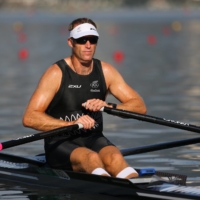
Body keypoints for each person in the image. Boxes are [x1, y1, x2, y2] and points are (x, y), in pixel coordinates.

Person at [22, 18, 146, 179]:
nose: (88, 45)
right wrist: (71, 124)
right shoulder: (55, 74)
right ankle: (108, 189)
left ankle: (137, 189)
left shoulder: (106, 72)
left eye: (92, 40)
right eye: (82, 40)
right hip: (61, 142)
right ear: (71, 42)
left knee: (115, 157)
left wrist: (107, 106)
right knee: (91, 158)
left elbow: (139, 107)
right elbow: (30, 117)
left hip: (94, 138)